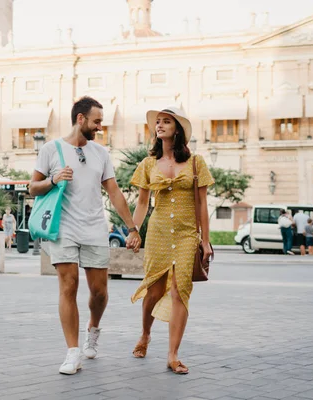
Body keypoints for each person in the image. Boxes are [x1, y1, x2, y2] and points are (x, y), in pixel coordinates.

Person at [30, 96, 141, 375]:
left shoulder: (101, 153)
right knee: (68, 285)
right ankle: (72, 351)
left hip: (94, 227)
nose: (100, 127)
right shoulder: (51, 150)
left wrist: (132, 227)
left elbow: (114, 192)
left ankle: (93, 328)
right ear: (81, 119)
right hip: (63, 228)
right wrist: (53, 180)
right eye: (97, 121)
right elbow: (32, 188)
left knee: (99, 292)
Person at [129, 106, 214, 375]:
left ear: (177, 128)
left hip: (188, 232)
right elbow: (143, 203)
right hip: (159, 231)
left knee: (181, 290)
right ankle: (145, 334)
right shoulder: (147, 164)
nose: (160, 125)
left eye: (166, 121)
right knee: (154, 290)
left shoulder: (196, 162)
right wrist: (134, 230)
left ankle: (173, 355)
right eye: (157, 122)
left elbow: (202, 203)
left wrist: (206, 240)